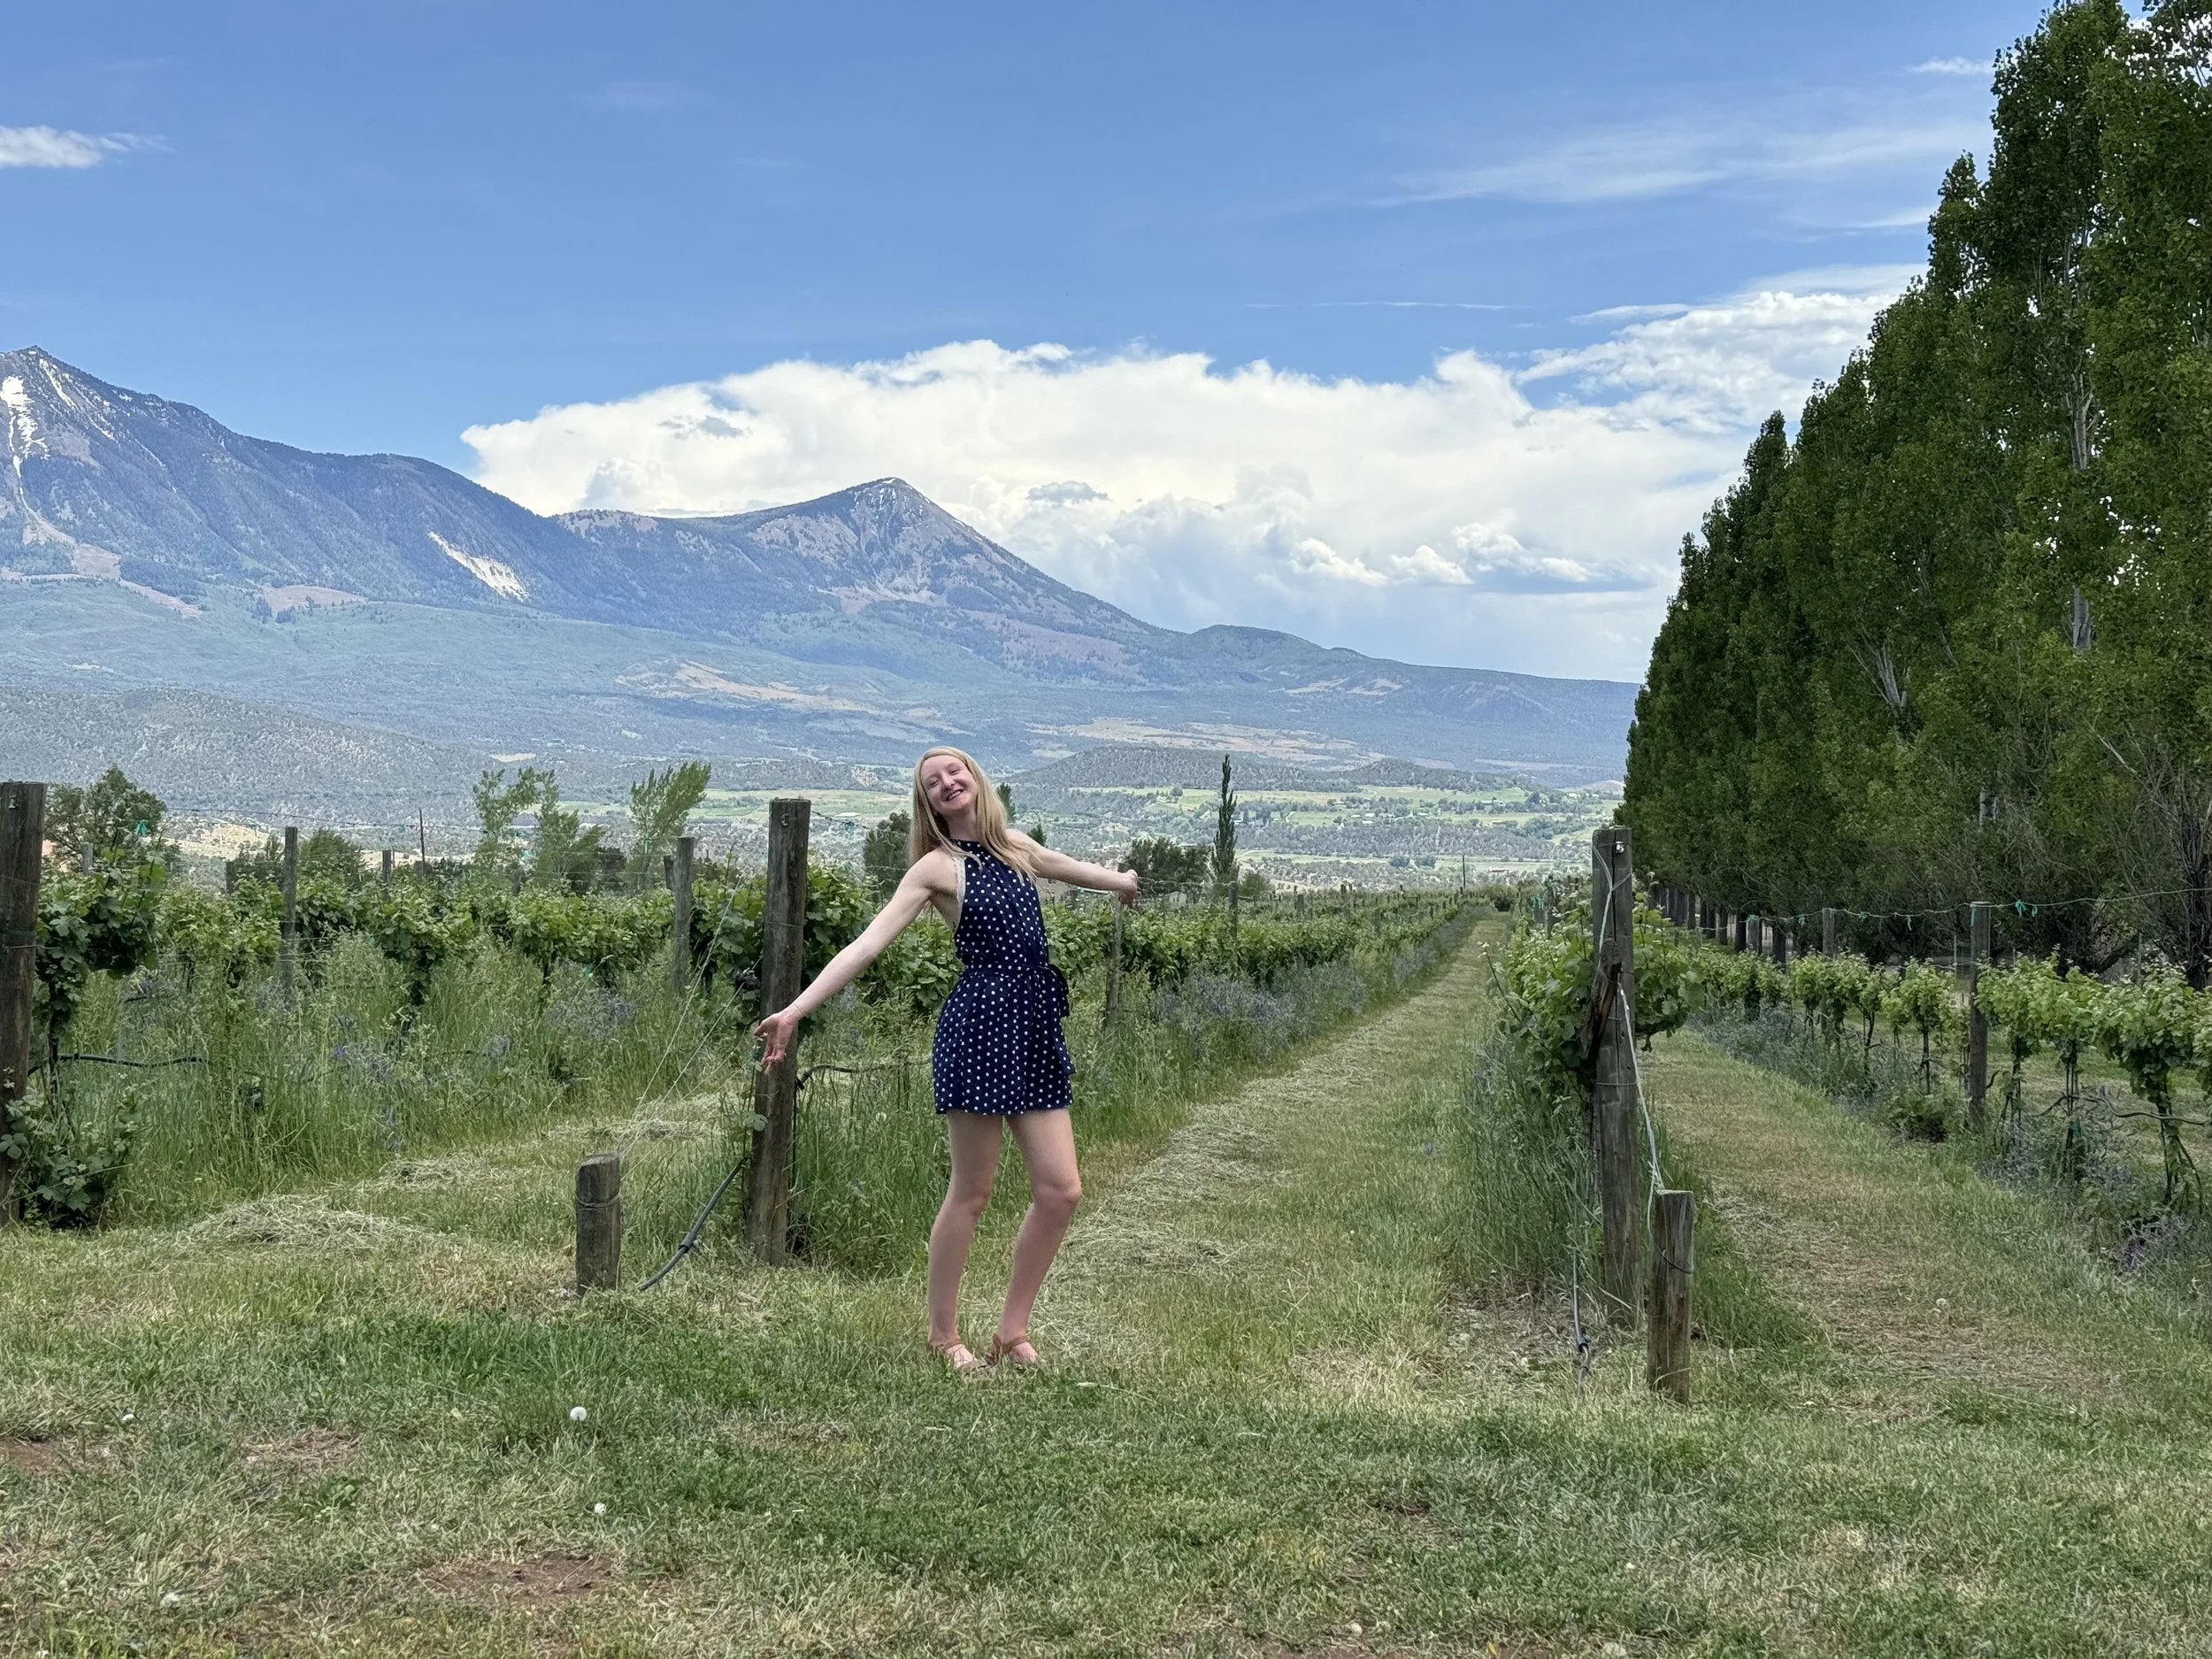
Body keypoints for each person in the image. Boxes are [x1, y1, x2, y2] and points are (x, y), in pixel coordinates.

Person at [754, 745, 1139, 1373]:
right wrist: (795, 1010)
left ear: (975, 778)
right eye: (933, 782)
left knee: (1061, 1189)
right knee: (974, 1190)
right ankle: (943, 1334)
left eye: (954, 771)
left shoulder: (1015, 845)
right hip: (980, 1026)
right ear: (928, 804)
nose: (947, 782)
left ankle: (1012, 1332)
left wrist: (1121, 882)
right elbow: (867, 943)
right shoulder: (936, 868)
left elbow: (1066, 867)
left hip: (1035, 1024)